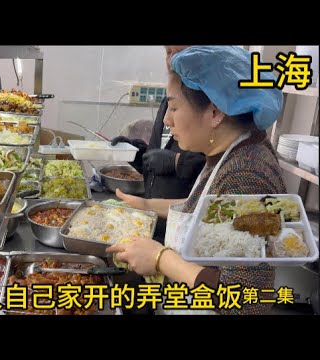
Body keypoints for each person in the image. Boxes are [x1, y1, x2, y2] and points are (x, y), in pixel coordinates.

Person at [107, 46, 286, 315]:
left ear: (215, 113)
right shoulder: (229, 151)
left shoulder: (247, 174)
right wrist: (145, 206)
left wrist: (160, 259)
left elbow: (248, 298)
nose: (167, 119)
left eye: (175, 107)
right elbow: (209, 210)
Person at [111, 46, 205, 243]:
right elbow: (162, 149)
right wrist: (140, 155)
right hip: (154, 220)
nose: (171, 60)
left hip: (182, 228)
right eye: (167, 52)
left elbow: (211, 167)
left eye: (178, 52)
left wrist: (178, 162)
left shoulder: (205, 104)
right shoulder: (168, 100)